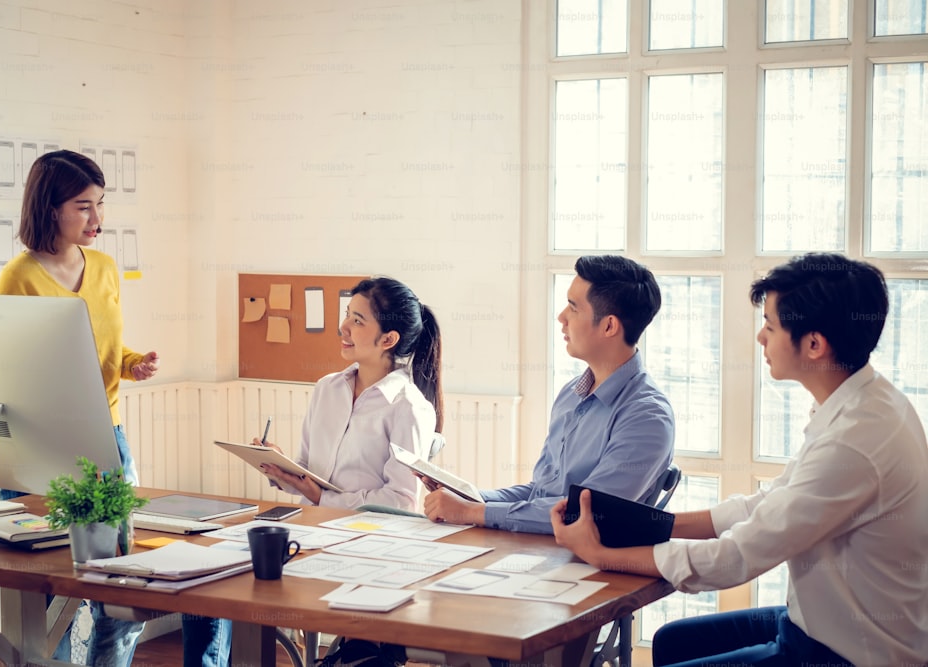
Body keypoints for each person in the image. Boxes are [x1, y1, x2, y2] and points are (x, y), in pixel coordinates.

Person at [551, 253, 928, 667]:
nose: (760, 338)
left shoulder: (854, 442)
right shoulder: (861, 401)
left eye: (769, 325)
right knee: (673, 641)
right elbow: (766, 505)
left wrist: (602, 555)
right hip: (815, 623)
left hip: (849, 653)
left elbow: (735, 558)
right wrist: (656, 526)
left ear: (815, 345)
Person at [182, 276, 444, 667]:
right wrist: (280, 467)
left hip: (367, 547)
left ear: (388, 339)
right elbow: (309, 471)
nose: (343, 327)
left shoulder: (408, 407)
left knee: (248, 585)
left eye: (357, 320)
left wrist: (322, 497)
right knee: (207, 577)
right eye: (346, 315)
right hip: (312, 529)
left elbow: (401, 503)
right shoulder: (327, 388)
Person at [0, 149, 159, 667]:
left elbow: (103, 346)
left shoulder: (106, 269)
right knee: (47, 590)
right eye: (84, 207)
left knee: (119, 583)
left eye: (101, 204)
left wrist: (131, 364)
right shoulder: (18, 278)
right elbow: (3, 364)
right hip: (40, 449)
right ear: (50, 210)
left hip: (106, 440)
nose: (98, 219)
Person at [422, 255, 674, 534]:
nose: (561, 317)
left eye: (573, 308)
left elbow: (584, 515)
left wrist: (473, 512)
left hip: (587, 564)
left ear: (609, 326)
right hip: (541, 547)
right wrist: (469, 497)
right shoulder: (571, 394)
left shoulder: (647, 417)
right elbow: (540, 494)